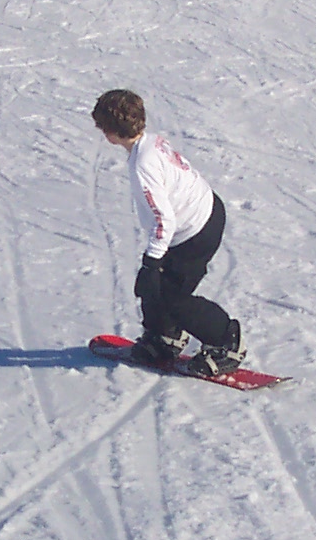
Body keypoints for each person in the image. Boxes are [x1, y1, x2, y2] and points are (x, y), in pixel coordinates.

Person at [92, 89, 245, 377]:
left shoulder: (143, 164)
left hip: (196, 230)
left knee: (172, 297)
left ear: (110, 132)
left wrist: (151, 262)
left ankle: (227, 341)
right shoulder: (150, 143)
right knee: (153, 289)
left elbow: (164, 219)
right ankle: (165, 336)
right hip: (199, 215)